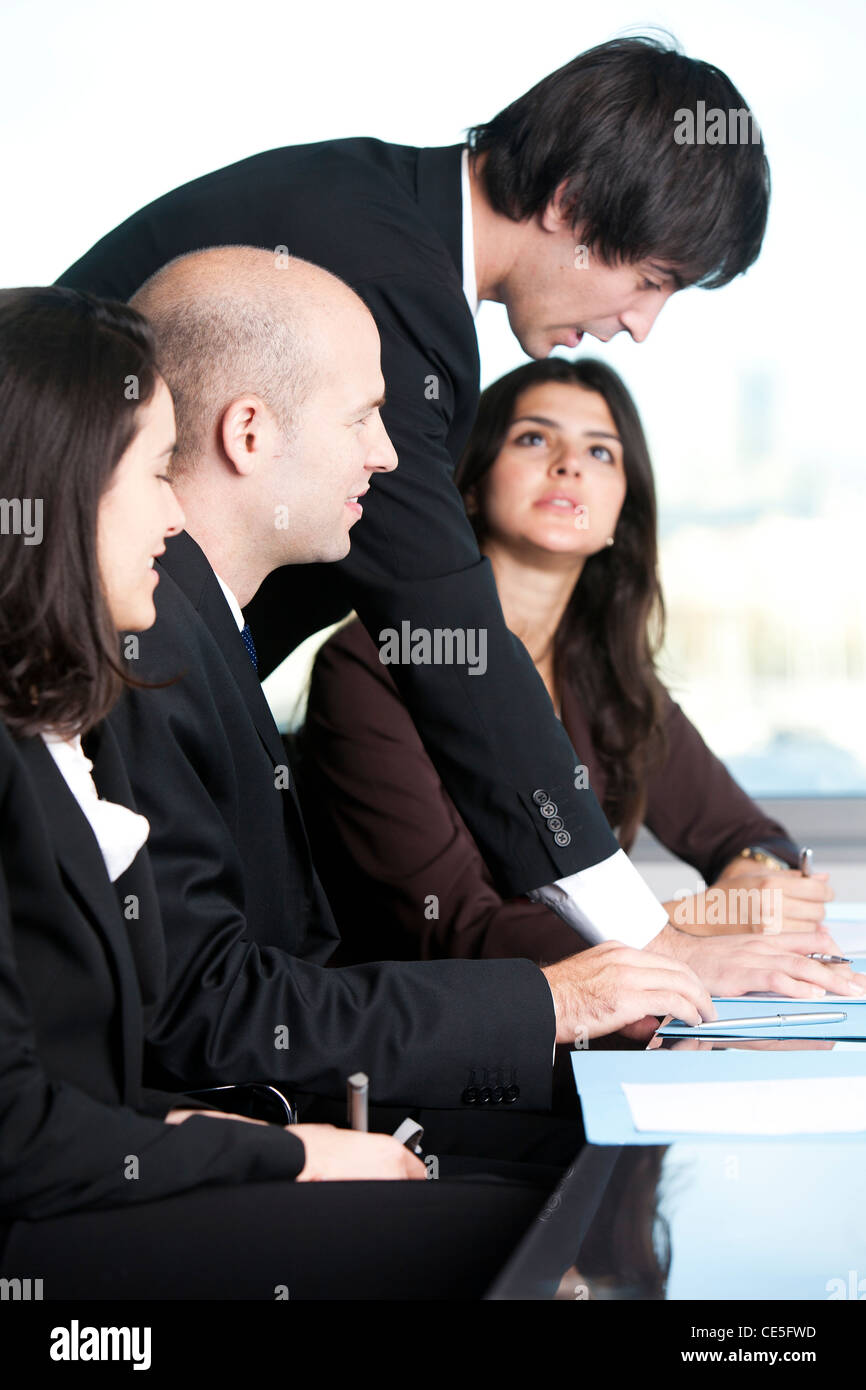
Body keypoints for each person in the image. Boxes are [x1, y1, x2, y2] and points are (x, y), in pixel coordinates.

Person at [57, 34, 772, 952]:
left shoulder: (385, 220)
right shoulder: (386, 276)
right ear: (573, 204)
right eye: (650, 281)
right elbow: (450, 637)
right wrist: (644, 939)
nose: (640, 325)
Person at [101, 247, 726, 1152]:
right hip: (257, 1138)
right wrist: (558, 1002)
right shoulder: (154, 647)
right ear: (249, 434)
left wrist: (589, 1015)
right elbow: (208, 1008)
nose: (390, 455)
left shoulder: (210, 634)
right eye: (364, 416)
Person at [1, 286, 526, 1304]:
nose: (172, 510)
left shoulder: (44, 734)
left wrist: (244, 1137)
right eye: (154, 472)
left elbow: (77, 1081)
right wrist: (282, 1157)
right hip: (40, 1235)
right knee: (530, 1243)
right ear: (57, 495)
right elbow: (23, 1131)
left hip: (85, 1190)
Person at [301, 359, 837, 963]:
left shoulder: (607, 675)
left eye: (602, 453)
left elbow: (752, 837)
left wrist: (754, 881)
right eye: (534, 438)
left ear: (620, 516)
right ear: (471, 486)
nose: (569, 465)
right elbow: (453, 934)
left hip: (601, 1030)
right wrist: (696, 921)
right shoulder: (374, 664)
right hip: (449, 1041)